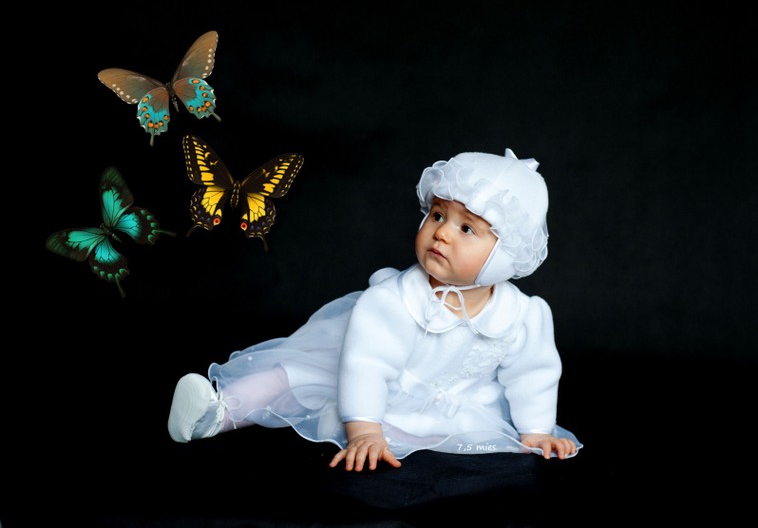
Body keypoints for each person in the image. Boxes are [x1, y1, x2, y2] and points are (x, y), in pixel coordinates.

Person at [167, 148, 583, 472]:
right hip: (362, 389)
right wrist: (364, 429)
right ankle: (219, 411)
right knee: (294, 377)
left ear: (507, 254)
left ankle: (397, 437)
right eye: (437, 214)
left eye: (466, 228)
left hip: (451, 406)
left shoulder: (522, 316)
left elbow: (533, 375)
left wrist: (536, 431)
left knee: (428, 439)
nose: (441, 233)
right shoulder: (392, 301)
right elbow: (365, 366)